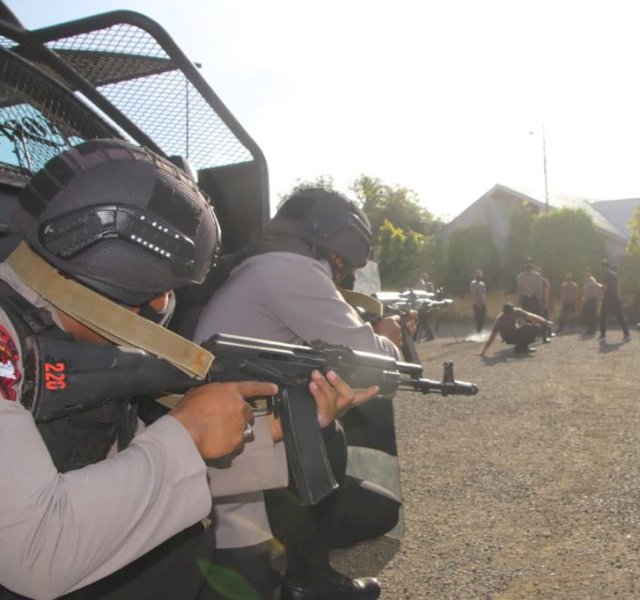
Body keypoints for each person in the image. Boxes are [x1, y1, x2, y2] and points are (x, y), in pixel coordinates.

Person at [0, 140, 368, 600]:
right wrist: (186, 432)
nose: (161, 309)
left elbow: (129, 482)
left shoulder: (63, 339)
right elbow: (35, 550)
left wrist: (276, 429)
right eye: (157, 294)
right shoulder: (8, 346)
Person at [194, 188, 403, 600]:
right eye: (344, 270)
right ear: (337, 250)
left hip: (230, 440)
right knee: (325, 431)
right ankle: (308, 581)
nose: (340, 278)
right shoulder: (290, 271)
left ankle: (284, 539)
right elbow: (377, 363)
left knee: (378, 511)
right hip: (233, 452)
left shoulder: (264, 267)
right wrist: (389, 335)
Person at [479, 302, 553, 356]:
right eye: (507, 314)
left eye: (510, 313)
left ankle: (523, 347)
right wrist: (483, 352)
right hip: (508, 336)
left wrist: (545, 322)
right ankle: (520, 347)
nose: (509, 316)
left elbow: (531, 316)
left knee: (536, 327)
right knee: (524, 329)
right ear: (504, 313)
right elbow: (492, 337)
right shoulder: (499, 320)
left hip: (515, 330)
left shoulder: (517, 311)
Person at [597, 259, 631, 342]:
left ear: (604, 267)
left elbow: (605, 287)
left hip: (608, 299)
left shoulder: (606, 275)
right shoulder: (614, 274)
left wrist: (597, 284)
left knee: (603, 316)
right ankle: (627, 334)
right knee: (620, 316)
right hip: (615, 298)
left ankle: (602, 335)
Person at [581, 267, 600, 335]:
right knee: (590, 314)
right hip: (591, 299)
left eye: (586, 272)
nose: (585, 273)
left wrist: (584, 297)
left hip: (591, 299)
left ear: (590, 272)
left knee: (588, 314)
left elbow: (588, 290)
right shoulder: (590, 279)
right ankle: (591, 328)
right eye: (585, 272)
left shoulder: (590, 280)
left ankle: (591, 328)